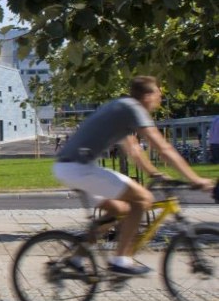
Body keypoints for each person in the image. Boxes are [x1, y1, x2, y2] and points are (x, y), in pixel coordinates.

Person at [54, 76, 213, 277]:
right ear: (147, 95)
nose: (160, 100)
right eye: (158, 95)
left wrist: (153, 173)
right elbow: (163, 147)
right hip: (79, 168)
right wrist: (195, 179)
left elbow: (134, 150)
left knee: (119, 210)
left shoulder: (121, 109)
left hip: (70, 167)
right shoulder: (133, 109)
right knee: (143, 200)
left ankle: (75, 258)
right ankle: (120, 260)